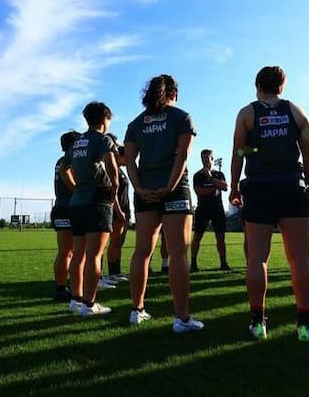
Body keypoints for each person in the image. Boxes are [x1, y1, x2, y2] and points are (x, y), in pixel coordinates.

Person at [229, 65, 309, 342]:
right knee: (299, 260)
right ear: (282, 85)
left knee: (257, 259)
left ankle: (258, 324)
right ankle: (304, 326)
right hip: (292, 186)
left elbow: (239, 152)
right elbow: (308, 151)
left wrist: (234, 186)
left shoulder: (247, 113)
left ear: (257, 85)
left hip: (258, 188)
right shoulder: (296, 111)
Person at [125, 74, 204, 332]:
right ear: (174, 93)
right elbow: (182, 157)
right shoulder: (182, 117)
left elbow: (129, 162)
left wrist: (139, 189)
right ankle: (182, 319)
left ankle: (137, 311)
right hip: (174, 191)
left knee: (142, 252)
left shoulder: (136, 123)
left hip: (145, 192)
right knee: (179, 254)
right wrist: (167, 188)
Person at [63, 102, 123, 317]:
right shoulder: (103, 139)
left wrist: (75, 188)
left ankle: (76, 300)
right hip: (97, 201)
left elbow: (63, 168)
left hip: (77, 202)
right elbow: (111, 164)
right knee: (95, 255)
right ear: (104, 119)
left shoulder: (77, 141)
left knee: (78, 254)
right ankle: (89, 304)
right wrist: (114, 189)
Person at [191, 149, 232, 272]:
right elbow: (199, 191)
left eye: (207, 158)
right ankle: (193, 264)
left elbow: (224, 187)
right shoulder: (197, 175)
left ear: (212, 159)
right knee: (197, 236)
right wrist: (215, 187)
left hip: (217, 209)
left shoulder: (219, 174)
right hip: (202, 209)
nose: (204, 160)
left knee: (220, 237)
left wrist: (211, 178)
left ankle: (223, 262)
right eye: (202, 158)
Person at [51, 130, 80, 302]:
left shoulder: (59, 161)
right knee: (75, 252)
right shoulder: (72, 160)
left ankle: (61, 288)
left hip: (60, 207)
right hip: (72, 207)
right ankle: (76, 288)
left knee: (64, 252)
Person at [104, 134, 131, 284]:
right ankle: (111, 273)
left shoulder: (120, 170)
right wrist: (119, 211)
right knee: (114, 243)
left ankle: (117, 271)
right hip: (116, 211)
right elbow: (112, 191)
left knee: (119, 242)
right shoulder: (110, 168)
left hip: (125, 210)